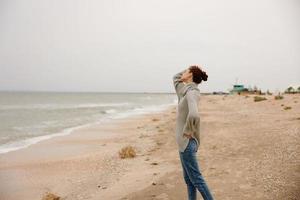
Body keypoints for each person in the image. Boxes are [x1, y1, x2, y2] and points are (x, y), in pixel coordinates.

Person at [172, 65, 214, 200]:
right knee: (189, 181)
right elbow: (176, 78)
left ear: (190, 75)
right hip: (183, 144)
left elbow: (195, 114)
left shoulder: (192, 92)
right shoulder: (185, 90)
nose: (182, 72)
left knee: (197, 180)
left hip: (187, 143)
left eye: (185, 71)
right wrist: (191, 70)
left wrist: (188, 130)